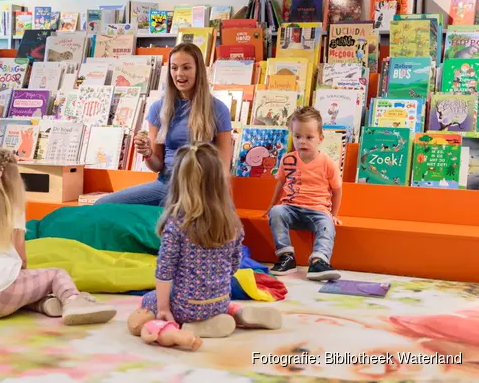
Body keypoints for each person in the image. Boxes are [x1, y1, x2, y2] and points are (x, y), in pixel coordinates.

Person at [127, 143, 282, 339]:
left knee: (146, 301)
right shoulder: (231, 222)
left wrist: (163, 308)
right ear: (220, 183)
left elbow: (164, 271)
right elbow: (234, 266)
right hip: (220, 300)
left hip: (186, 306)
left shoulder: (177, 224)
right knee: (209, 296)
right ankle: (232, 312)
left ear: (178, 183)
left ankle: (185, 328)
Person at [0, 147, 117, 325]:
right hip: (2, 298)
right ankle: (74, 301)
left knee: (20, 289)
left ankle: (45, 304)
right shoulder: (12, 211)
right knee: (56, 274)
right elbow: (22, 261)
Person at [95, 43, 233, 206]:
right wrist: (147, 153)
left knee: (188, 216)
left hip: (203, 188)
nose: (179, 74)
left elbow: (224, 167)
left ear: (199, 71)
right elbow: (157, 165)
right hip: (166, 185)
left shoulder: (218, 109)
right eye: (174, 68)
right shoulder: (158, 109)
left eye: (186, 68)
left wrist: (211, 197)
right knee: (103, 205)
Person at [265, 106, 343, 281]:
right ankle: (286, 257)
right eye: (298, 136)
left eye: (309, 137)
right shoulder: (288, 159)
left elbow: (337, 190)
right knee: (277, 212)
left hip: (318, 210)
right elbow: (281, 182)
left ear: (320, 139)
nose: (302, 142)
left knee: (327, 224)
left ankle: (318, 261)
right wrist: (271, 205)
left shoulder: (328, 163)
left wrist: (334, 214)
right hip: (291, 208)